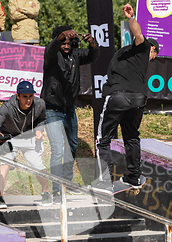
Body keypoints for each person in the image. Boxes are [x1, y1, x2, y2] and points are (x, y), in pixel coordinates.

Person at [93, 3, 159, 193]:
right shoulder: (144, 47)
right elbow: (138, 34)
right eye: (155, 55)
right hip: (138, 99)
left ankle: (105, 181)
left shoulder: (121, 54)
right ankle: (134, 175)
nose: (152, 59)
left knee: (103, 139)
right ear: (152, 48)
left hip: (119, 97)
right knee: (131, 137)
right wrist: (131, 17)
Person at [41, 25, 99, 203]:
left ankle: (65, 182)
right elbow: (50, 48)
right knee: (57, 149)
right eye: (63, 42)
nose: (67, 45)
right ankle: (57, 190)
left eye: (69, 42)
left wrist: (92, 43)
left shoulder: (75, 54)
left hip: (69, 110)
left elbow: (92, 56)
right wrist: (61, 37)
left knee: (72, 146)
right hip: (52, 109)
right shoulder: (51, 56)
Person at [0, 81, 51, 209]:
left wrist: (39, 130)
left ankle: (46, 192)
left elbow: (42, 119)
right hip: (11, 138)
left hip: (29, 138)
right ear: (18, 96)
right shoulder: (8, 107)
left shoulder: (39, 104)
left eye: (30, 96)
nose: (28, 100)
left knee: (36, 165)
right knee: (4, 163)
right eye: (25, 96)